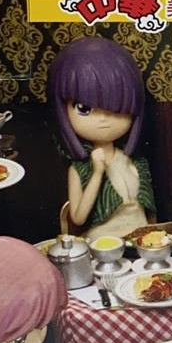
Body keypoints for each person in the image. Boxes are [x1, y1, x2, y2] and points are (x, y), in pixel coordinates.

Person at [47, 35, 156, 239]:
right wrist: (97, 173)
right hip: (102, 246)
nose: (103, 119)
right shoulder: (79, 169)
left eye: (116, 109)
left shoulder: (136, 162)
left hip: (140, 243)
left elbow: (149, 214)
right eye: (84, 108)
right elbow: (78, 218)